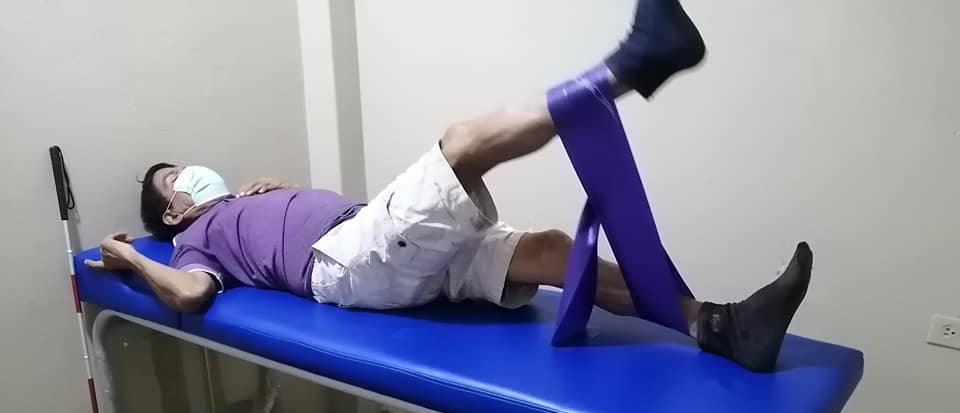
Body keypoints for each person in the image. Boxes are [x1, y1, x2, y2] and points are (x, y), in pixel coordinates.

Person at [88, 0, 811, 372]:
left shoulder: (240, 201)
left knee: (553, 250)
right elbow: (192, 295)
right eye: (174, 180)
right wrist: (129, 256)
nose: (190, 175)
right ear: (172, 211)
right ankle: (633, 63)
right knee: (461, 145)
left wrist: (279, 195)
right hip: (349, 264)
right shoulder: (193, 240)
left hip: (370, 241)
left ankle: (720, 327)